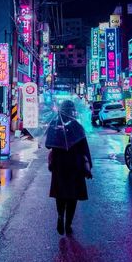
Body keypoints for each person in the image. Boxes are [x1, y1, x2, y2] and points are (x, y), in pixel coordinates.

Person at [45, 99, 92, 235]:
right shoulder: (77, 126)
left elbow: (48, 145)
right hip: (75, 165)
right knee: (73, 195)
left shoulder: (54, 125)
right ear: (72, 111)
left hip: (59, 164)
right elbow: (84, 148)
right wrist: (88, 165)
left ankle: (60, 215)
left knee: (60, 193)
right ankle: (68, 224)